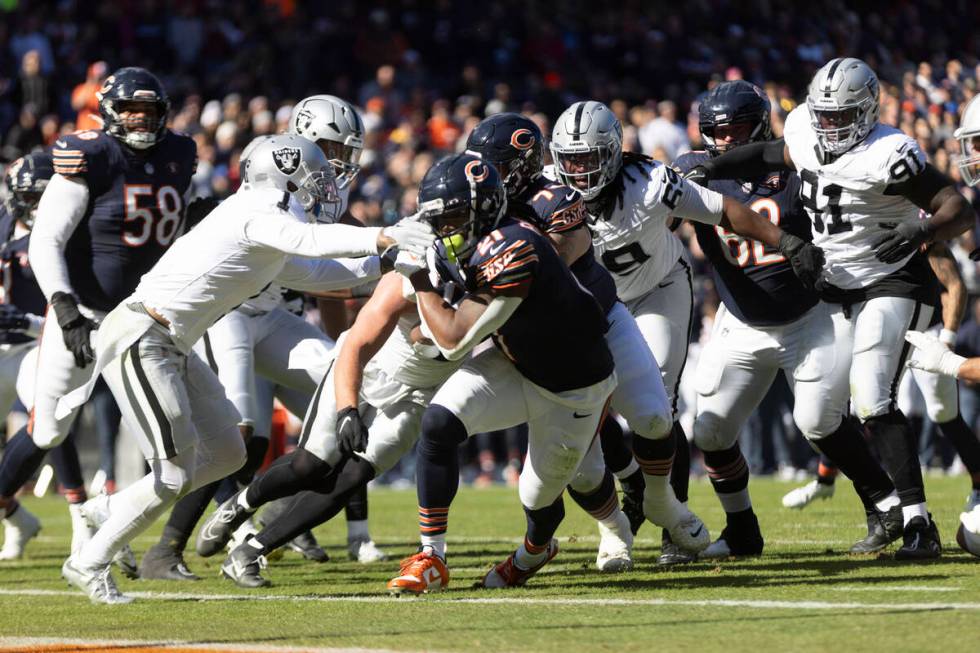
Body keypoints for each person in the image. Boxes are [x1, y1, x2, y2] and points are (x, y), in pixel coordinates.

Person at [57, 134, 432, 604]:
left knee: (228, 453)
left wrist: (389, 260)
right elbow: (310, 241)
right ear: (284, 176)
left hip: (174, 341)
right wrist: (387, 234)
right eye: (314, 178)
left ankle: (106, 511)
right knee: (172, 473)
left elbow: (316, 274)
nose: (323, 188)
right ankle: (88, 563)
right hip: (143, 334)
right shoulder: (256, 211)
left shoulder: (270, 224)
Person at [691, 57, 977, 559]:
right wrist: (712, 166)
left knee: (872, 396)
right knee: (824, 414)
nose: (829, 124)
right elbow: (774, 153)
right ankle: (894, 508)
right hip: (839, 289)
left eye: (841, 116)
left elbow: (957, 203)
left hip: (893, 280)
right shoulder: (804, 128)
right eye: (823, 114)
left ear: (867, 112)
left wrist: (924, 229)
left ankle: (918, 522)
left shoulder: (890, 152)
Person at [548, 99, 825, 563]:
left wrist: (784, 240)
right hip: (591, 305)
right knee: (584, 407)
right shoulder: (546, 195)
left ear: (613, 154)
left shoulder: (653, 183)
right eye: (570, 160)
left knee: (656, 405)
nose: (579, 172)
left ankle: (671, 523)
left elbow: (724, 211)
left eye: (590, 159)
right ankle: (627, 499)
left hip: (658, 291)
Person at [141, 96, 384, 581]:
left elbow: (332, 269)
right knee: (236, 437)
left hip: (273, 315)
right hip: (227, 314)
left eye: (346, 150)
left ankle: (279, 515)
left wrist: (391, 264)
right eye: (333, 147)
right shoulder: (270, 191)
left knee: (352, 394)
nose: (341, 161)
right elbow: (321, 252)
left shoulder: (321, 196)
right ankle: (164, 547)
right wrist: (388, 241)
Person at [676, 81, 903, 557]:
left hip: (810, 315)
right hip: (742, 322)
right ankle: (742, 529)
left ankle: (884, 504)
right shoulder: (697, 173)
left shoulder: (800, 166)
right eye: (715, 133)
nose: (724, 143)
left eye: (735, 130)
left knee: (817, 419)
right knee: (710, 430)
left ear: (759, 126)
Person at [384, 152, 616, 594]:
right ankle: (431, 557)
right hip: (516, 363)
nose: (443, 231)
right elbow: (444, 330)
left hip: (572, 388)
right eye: (438, 221)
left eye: (451, 219)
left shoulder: (512, 246)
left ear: (484, 209)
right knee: (438, 423)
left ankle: (534, 552)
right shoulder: (478, 241)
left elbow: (452, 339)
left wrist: (418, 279)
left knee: (539, 501)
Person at [0, 68, 200, 576]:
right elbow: (45, 239)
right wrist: (64, 307)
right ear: (110, 111)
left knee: (173, 445)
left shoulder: (178, 154)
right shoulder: (89, 155)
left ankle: (110, 528)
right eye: (132, 108)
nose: (141, 118)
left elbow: (176, 224)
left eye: (150, 110)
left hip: (139, 319)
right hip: (82, 315)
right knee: (47, 431)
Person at [465, 112, 674, 571]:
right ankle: (615, 527)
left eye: (493, 163)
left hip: (600, 323)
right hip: (540, 347)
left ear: (518, 164)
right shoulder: (477, 204)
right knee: (579, 465)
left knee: (655, 416)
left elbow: (552, 260)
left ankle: (665, 506)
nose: (482, 174)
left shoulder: (555, 197)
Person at [214, 271, 463, 588]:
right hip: (367, 367)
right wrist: (348, 409)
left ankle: (249, 552)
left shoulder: (499, 278)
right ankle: (240, 504)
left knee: (352, 477)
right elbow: (360, 343)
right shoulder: (410, 273)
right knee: (311, 464)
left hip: (418, 393)